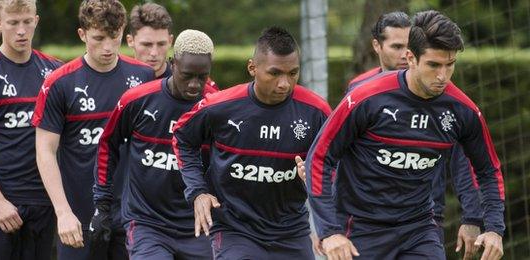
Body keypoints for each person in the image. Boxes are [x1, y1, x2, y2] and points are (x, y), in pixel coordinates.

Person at [306, 10, 505, 260]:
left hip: (419, 229)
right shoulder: (365, 98)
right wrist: (329, 231)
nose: (443, 76)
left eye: (450, 64)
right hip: (361, 228)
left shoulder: (463, 110)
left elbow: (488, 169)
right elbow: (320, 158)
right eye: (433, 65)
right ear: (411, 58)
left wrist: (494, 228)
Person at [173, 27, 332, 259]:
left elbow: (337, 160)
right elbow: (183, 137)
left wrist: (317, 175)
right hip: (234, 229)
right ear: (252, 68)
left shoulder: (316, 111)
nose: (284, 84)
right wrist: (198, 192)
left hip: (290, 231)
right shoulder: (220, 106)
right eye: (275, 73)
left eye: (293, 73)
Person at [347, 11, 484, 258]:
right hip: (368, 222)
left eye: (408, 46)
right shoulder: (359, 91)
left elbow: (463, 159)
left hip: (424, 217)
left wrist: (473, 215)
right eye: (396, 46)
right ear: (376, 46)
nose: (403, 54)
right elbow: (340, 152)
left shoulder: (443, 97)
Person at [32, 0, 154, 259]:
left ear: (123, 31)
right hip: (78, 214)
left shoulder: (145, 77)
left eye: (114, 36)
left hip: (132, 215)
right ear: (82, 34)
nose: (108, 47)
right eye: (98, 38)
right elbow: (45, 151)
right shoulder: (59, 83)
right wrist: (62, 212)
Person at [93, 29, 216, 260]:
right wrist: (102, 203)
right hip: (146, 223)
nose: (194, 85)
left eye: (202, 77)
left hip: (198, 224)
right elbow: (108, 145)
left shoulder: (215, 104)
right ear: (173, 63)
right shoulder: (137, 100)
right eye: (187, 75)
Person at [0, 0, 63, 259]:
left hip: (41, 201)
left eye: (27, 22)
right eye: (13, 23)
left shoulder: (55, 72)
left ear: (36, 20)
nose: (21, 31)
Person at [126, 3, 173, 79]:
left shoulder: (182, 84)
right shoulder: (117, 80)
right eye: (147, 44)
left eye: (161, 44)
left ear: (170, 41)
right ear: (130, 41)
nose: (154, 53)